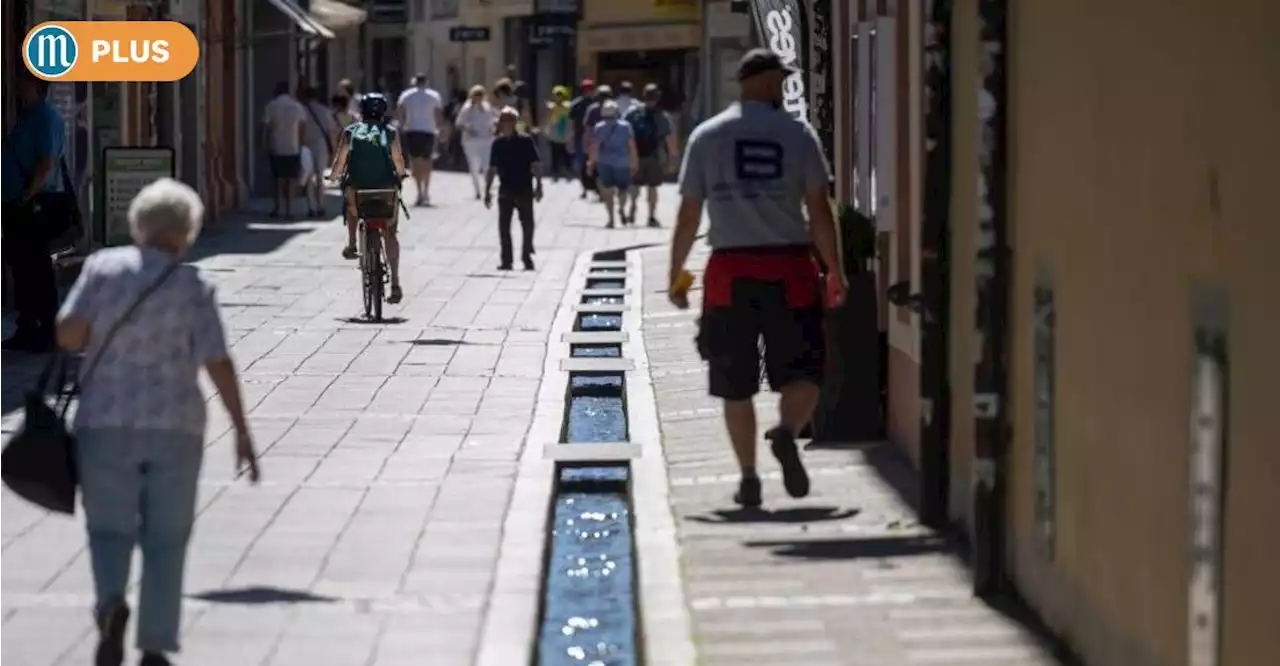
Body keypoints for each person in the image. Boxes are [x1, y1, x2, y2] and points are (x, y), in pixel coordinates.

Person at [55, 178, 260, 666]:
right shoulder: (194, 286)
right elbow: (217, 361)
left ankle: (109, 605)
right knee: (167, 537)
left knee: (108, 529)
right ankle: (154, 644)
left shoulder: (102, 269)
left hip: (104, 422)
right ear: (188, 231)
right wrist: (242, 430)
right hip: (176, 427)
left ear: (138, 225)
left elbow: (67, 334)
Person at [667, 48, 848, 508]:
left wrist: (677, 273)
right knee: (805, 371)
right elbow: (820, 209)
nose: (784, 90)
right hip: (790, 270)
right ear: (768, 84)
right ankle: (787, 431)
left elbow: (689, 212)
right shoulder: (797, 134)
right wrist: (834, 270)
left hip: (730, 272)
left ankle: (748, 476)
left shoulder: (707, 137)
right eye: (782, 83)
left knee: (734, 383)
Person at [0, 69, 67, 353]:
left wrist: (26, 195)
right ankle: (27, 327)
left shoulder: (45, 117)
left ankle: (49, 330)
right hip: (18, 205)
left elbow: (47, 163)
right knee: (22, 267)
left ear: (36, 86)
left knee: (37, 268)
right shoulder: (27, 116)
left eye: (22, 82)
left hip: (34, 204)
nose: (17, 87)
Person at [329, 93, 409, 304]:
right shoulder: (390, 133)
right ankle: (395, 282)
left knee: (351, 200)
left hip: (359, 190)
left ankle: (353, 242)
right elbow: (398, 159)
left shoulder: (350, 132)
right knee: (390, 233)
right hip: (385, 190)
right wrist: (401, 173)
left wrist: (333, 176)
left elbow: (339, 162)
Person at [484, 106, 543, 271]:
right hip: (506, 188)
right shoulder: (497, 144)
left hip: (524, 187)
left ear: (515, 123)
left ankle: (526, 256)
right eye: (503, 121)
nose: (506, 124)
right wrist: (487, 191)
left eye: (509, 120)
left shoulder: (526, 141)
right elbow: (492, 169)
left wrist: (539, 185)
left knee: (528, 225)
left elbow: (536, 164)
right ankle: (506, 260)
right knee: (504, 227)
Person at [623, 83, 680, 227]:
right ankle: (651, 216)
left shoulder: (632, 112)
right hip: (654, 155)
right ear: (658, 97)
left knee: (634, 184)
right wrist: (673, 157)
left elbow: (624, 133)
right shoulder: (662, 116)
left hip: (636, 155)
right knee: (652, 187)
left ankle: (633, 207)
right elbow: (669, 138)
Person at [586, 100, 638, 228]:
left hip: (604, 162)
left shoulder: (599, 127)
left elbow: (596, 146)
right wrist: (634, 162)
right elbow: (631, 146)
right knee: (623, 189)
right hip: (622, 162)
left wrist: (591, 162)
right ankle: (621, 207)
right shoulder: (626, 126)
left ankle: (611, 219)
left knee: (607, 191)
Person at [395, 73, 444, 206]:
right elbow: (438, 113)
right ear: (426, 82)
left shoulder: (406, 95)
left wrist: (402, 124)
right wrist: (440, 129)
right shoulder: (434, 96)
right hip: (429, 130)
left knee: (415, 160)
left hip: (412, 130)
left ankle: (419, 192)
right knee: (427, 160)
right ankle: (426, 190)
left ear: (415, 82)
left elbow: (400, 110)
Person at [260, 81, 306, 219]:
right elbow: (303, 127)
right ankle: (289, 209)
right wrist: (301, 143)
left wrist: (263, 144)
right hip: (293, 146)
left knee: (277, 179)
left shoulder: (272, 106)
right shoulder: (297, 107)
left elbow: (265, 127)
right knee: (291, 180)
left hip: (276, 146)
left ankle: (278, 207)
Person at [298, 85, 339, 218]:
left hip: (305, 144)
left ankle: (311, 207)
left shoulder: (301, 110)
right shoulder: (324, 110)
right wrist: (334, 150)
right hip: (320, 144)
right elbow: (331, 131)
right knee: (320, 176)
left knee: (309, 176)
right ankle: (320, 204)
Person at [455, 85, 499, 199]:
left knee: (486, 165)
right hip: (471, 141)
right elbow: (459, 123)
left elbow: (494, 118)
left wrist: (493, 127)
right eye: (476, 95)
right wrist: (468, 129)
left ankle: (487, 188)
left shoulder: (487, 106)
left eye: (480, 95)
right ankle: (477, 190)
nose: (478, 98)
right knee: (474, 166)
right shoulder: (467, 108)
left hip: (486, 139)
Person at [568, 79, 597, 198]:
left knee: (581, 162)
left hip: (580, 136)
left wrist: (570, 136)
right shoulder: (596, 103)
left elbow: (570, 121)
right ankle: (594, 187)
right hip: (593, 136)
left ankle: (585, 189)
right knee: (593, 161)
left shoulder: (575, 104)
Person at [543, 85, 573, 180]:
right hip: (554, 131)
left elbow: (570, 120)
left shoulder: (568, 106)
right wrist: (546, 130)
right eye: (556, 95)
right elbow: (548, 119)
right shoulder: (552, 107)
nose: (558, 97)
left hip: (563, 131)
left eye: (560, 95)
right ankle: (555, 169)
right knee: (555, 151)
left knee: (563, 151)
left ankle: (567, 167)